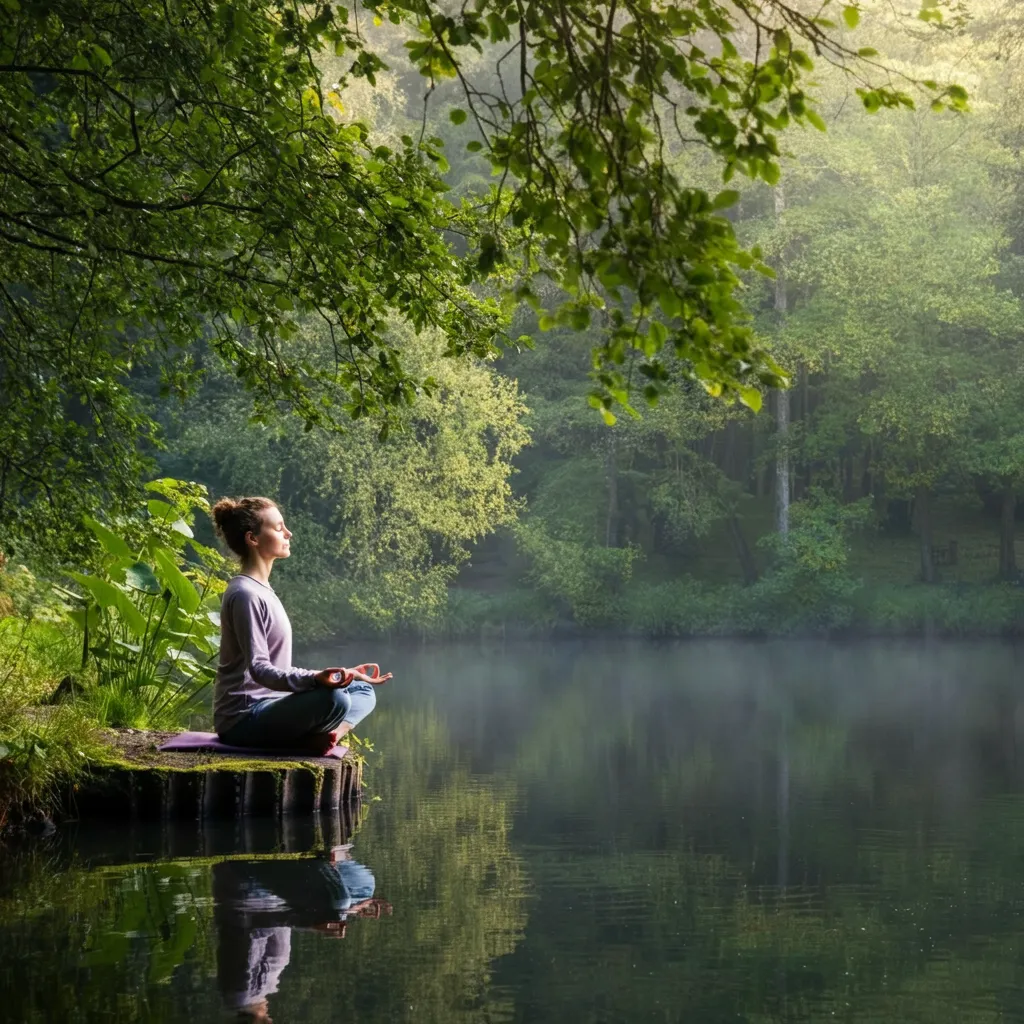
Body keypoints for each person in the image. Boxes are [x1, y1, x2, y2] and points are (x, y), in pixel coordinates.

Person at [211, 496, 391, 755]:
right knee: (335, 698)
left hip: (275, 704)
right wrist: (316, 680)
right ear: (253, 539)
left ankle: (329, 736)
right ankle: (307, 740)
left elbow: (280, 670)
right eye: (278, 527)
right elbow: (260, 669)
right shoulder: (245, 594)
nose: (288, 533)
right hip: (243, 718)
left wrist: (342, 674)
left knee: (360, 688)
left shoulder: (264, 590)